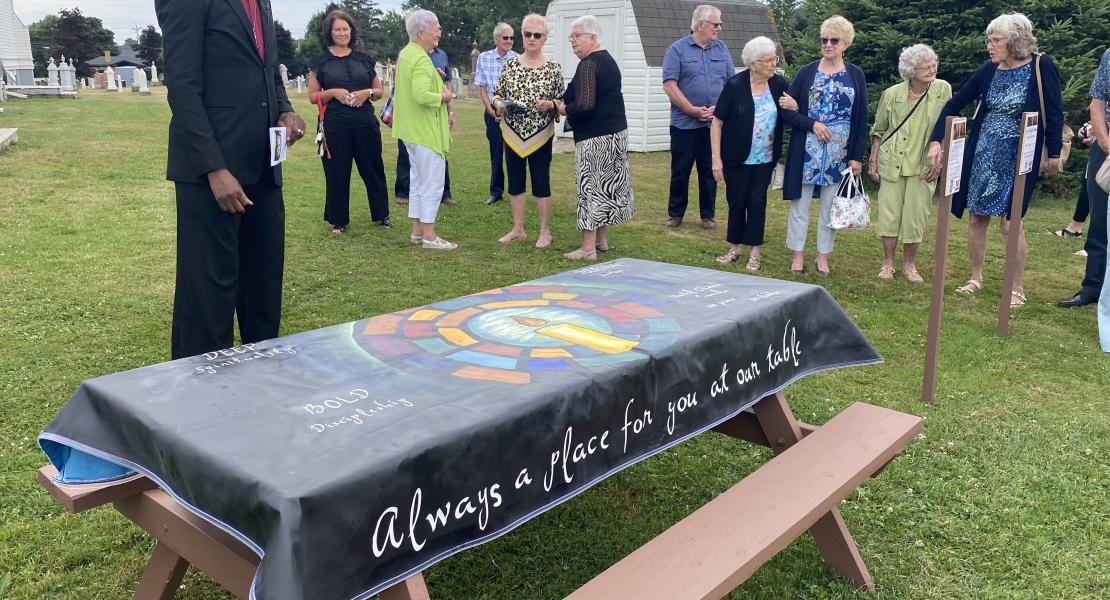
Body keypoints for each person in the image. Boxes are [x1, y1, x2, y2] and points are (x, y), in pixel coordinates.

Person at [155, 0, 306, 359]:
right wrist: (214, 168)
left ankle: (261, 376)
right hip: (213, 170)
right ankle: (202, 391)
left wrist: (285, 109)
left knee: (264, 284)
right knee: (209, 290)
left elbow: (266, 70)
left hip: (262, 163)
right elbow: (182, 84)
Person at [926, 12, 1063, 308]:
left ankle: (1016, 287)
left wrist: (1053, 154)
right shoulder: (989, 70)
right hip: (983, 153)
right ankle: (976, 277)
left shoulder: (1041, 66)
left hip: (1018, 157)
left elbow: (1054, 111)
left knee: (1011, 222)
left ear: (1015, 41)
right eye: (989, 39)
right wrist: (937, 140)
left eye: (996, 40)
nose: (990, 45)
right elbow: (955, 102)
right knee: (977, 218)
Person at [781, 16, 868, 276]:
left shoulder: (855, 75)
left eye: (834, 40)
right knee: (800, 205)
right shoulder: (807, 72)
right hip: (806, 151)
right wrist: (812, 124)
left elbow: (860, 117)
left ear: (845, 44)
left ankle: (823, 256)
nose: (828, 44)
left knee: (831, 208)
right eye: (824, 40)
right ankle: (797, 254)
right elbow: (786, 110)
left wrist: (856, 156)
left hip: (838, 154)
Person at [710, 36, 804, 271]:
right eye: (768, 60)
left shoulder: (778, 84)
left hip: (765, 158)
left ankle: (755, 251)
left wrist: (796, 105)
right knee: (736, 201)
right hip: (735, 157)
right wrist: (716, 159)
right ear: (753, 64)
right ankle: (734, 248)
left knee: (757, 202)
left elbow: (792, 108)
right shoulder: (734, 85)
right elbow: (717, 123)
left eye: (775, 59)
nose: (774, 64)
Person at [868, 44, 952, 283]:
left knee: (915, 217)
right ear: (910, 70)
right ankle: (887, 264)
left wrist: (942, 154)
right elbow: (879, 129)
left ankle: (909, 265)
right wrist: (874, 156)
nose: (932, 69)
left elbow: (948, 124)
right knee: (889, 216)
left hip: (923, 165)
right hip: (892, 161)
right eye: (926, 66)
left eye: (934, 64)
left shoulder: (942, 89)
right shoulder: (892, 93)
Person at [555, 15, 635, 260]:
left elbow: (585, 103)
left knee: (590, 189)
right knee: (606, 189)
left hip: (596, 139)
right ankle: (600, 239)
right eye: (571, 36)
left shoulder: (590, 63)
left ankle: (587, 247)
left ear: (592, 37)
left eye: (576, 35)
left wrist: (563, 109)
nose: (572, 40)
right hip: (615, 134)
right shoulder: (608, 60)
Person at [307, 10, 390, 234]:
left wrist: (368, 93)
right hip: (335, 125)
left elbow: (379, 91)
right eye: (337, 29)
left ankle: (382, 213)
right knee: (337, 172)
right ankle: (338, 220)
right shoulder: (320, 63)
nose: (342, 33)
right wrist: (332, 92)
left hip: (364, 122)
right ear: (330, 32)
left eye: (345, 29)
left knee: (373, 168)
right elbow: (312, 96)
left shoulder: (364, 59)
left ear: (351, 31)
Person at [493, 13, 565, 248]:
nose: (531, 39)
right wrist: (498, 105)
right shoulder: (510, 65)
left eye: (537, 35)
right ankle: (518, 228)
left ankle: (545, 232)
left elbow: (562, 102)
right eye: (527, 34)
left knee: (541, 182)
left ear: (544, 38)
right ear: (522, 35)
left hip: (541, 134)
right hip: (512, 133)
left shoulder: (553, 68)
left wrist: (550, 104)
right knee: (515, 181)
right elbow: (497, 93)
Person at [662, 5, 734, 230]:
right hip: (684, 124)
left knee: (709, 170)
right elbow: (670, 85)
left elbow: (732, 83)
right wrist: (691, 109)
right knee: (681, 170)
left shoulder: (721, 49)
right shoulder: (677, 50)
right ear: (701, 24)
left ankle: (708, 216)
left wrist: (719, 108)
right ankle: (676, 214)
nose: (719, 28)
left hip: (713, 124)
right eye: (716, 24)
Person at [393, 10, 455, 250]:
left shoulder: (407, 54)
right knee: (431, 182)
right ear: (422, 32)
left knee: (418, 181)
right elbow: (421, 95)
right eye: (436, 27)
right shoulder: (419, 58)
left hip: (411, 130)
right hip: (425, 131)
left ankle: (417, 230)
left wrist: (434, 78)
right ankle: (429, 235)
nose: (440, 32)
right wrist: (444, 95)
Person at [1058, 48, 1110, 308]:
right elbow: (1097, 103)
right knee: (1099, 220)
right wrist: (1105, 143)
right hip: (1106, 148)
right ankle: (1092, 288)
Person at [394, 45, 456, 207]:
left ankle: (445, 193)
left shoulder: (441, 55)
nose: (438, 33)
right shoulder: (411, 55)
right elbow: (418, 92)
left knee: (437, 158)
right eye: (435, 29)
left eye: (439, 29)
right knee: (409, 159)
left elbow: (446, 82)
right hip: (415, 118)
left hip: (434, 116)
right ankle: (402, 192)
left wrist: (450, 112)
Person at [475, 23, 518, 206]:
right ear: (496, 39)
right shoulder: (484, 58)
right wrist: (490, 109)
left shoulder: (517, 58)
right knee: (496, 153)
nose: (509, 41)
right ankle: (496, 192)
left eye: (511, 38)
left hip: (513, 114)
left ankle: (517, 191)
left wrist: (509, 109)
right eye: (505, 37)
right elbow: (482, 87)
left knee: (515, 154)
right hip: (492, 113)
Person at [1053, 121, 1091, 242]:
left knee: (1099, 190)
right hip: (1100, 149)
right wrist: (1087, 128)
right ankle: (1075, 227)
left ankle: (1099, 241)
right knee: (1089, 184)